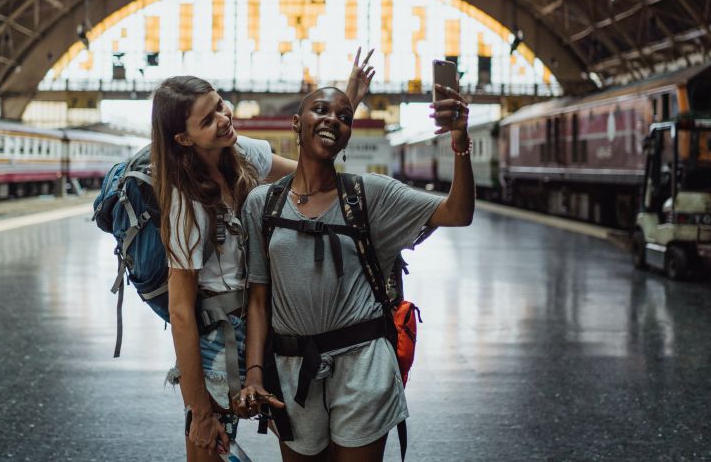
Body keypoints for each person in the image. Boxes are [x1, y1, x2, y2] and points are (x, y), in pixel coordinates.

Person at [155, 51, 375, 461]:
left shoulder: (246, 155)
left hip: (269, 329)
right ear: (183, 139)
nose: (223, 118)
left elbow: (316, 176)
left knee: (306, 446)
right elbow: (181, 311)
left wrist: (345, 104)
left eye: (220, 105)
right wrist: (199, 409)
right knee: (210, 447)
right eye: (208, 120)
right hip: (218, 343)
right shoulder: (185, 202)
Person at [237, 84, 474, 462]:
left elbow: (457, 213)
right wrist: (253, 374)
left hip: (364, 365)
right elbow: (258, 298)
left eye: (344, 117)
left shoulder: (369, 196)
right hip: (292, 367)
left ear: (347, 135)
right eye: (321, 110)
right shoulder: (262, 205)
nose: (333, 119)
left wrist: (460, 142)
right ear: (297, 124)